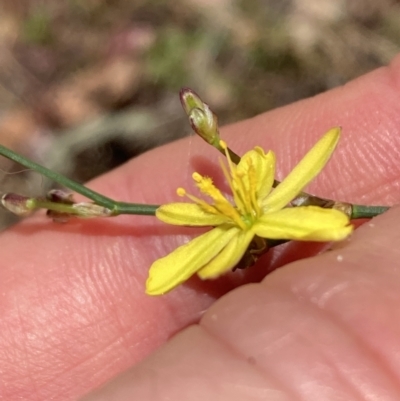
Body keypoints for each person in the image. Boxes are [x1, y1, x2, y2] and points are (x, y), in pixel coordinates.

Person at [3, 56, 400, 401]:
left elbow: (314, 194)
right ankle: (45, 206)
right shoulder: (242, 225)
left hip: (269, 214)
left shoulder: (268, 206)